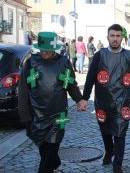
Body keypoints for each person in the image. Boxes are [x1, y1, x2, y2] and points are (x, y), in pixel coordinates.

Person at [17, 32, 86, 173]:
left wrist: (79, 99)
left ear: (54, 49)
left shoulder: (64, 62)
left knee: (52, 146)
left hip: (59, 114)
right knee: (43, 145)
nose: (44, 52)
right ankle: (55, 161)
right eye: (42, 49)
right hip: (37, 114)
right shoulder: (30, 63)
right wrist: (25, 114)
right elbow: (23, 90)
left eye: (48, 50)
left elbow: (71, 84)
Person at [80, 24, 130, 173]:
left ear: (122, 37)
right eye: (112, 36)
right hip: (103, 101)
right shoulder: (99, 55)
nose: (115, 39)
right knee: (105, 130)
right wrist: (84, 98)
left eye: (118, 36)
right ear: (107, 37)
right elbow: (90, 78)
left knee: (120, 132)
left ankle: (117, 164)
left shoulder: (129, 55)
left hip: (122, 102)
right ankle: (109, 150)